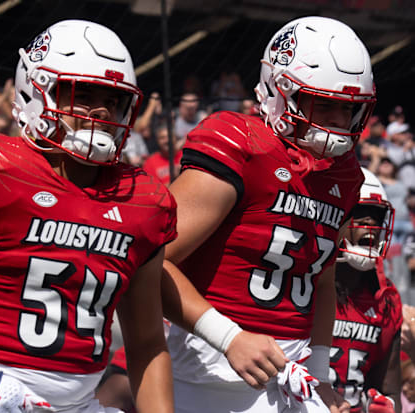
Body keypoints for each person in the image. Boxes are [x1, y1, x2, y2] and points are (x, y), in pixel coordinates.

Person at [0, 19, 176, 413]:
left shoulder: (143, 198)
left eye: (113, 99)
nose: (101, 111)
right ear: (37, 92)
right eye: (83, 94)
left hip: (81, 404)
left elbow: (146, 343)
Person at [160, 16, 376, 413]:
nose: (340, 124)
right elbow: (151, 260)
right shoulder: (240, 143)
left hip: (292, 376)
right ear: (280, 92)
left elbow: (323, 283)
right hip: (210, 371)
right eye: (325, 104)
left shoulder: (345, 174)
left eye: (349, 110)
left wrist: (321, 377)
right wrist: (228, 337)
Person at [330, 168, 402, 412]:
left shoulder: (386, 300)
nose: (370, 223)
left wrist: (385, 405)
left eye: (376, 216)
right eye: (359, 213)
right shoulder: (304, 286)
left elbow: (388, 389)